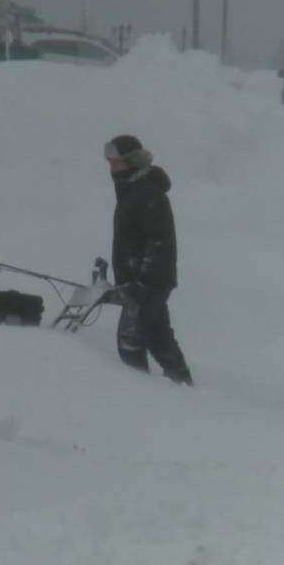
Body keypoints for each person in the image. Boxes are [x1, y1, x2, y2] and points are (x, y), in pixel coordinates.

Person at [105, 134, 194, 385]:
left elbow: (158, 243)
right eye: (110, 163)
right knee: (158, 336)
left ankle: (141, 397)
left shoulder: (147, 194)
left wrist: (142, 282)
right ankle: (183, 387)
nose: (112, 169)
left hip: (148, 284)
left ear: (132, 162)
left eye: (117, 162)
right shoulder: (131, 191)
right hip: (141, 283)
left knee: (130, 341)